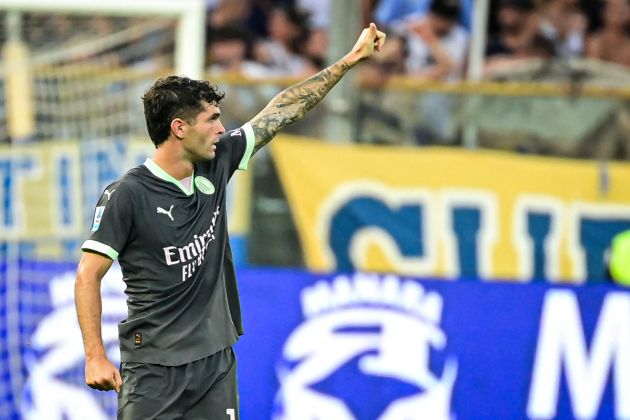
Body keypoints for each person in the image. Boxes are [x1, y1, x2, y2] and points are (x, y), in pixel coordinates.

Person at [74, 23, 386, 420]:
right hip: (154, 368)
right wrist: (94, 357)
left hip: (214, 363)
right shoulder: (128, 194)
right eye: (212, 119)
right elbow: (88, 275)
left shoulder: (217, 160)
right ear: (179, 128)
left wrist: (347, 62)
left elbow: (282, 110)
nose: (222, 129)